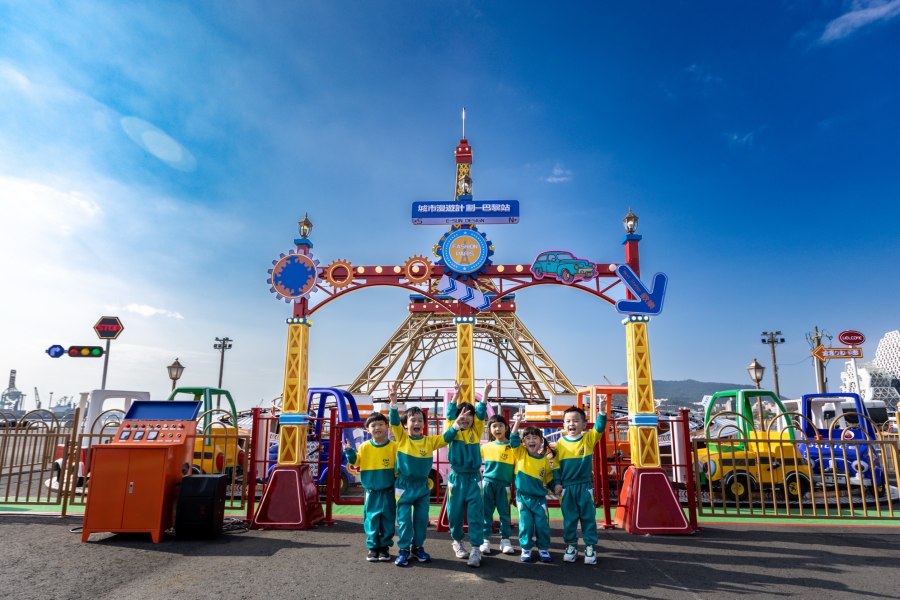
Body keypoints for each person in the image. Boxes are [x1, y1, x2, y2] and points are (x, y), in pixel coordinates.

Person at [389, 381, 459, 567]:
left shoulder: (429, 441)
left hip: (422, 487)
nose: (417, 423)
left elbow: (446, 438)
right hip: (403, 487)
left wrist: (457, 425)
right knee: (404, 521)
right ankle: (403, 550)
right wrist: (394, 402)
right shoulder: (402, 438)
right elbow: (394, 421)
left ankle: (417, 547)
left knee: (421, 521)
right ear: (405, 425)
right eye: (413, 420)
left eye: (420, 420)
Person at [554, 402, 607, 565]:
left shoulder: (588, 439)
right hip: (567, 488)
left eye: (576, 420)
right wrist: (557, 483)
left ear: (584, 424)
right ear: (563, 424)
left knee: (588, 517)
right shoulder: (560, 443)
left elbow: (599, 428)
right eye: (568, 421)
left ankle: (590, 546)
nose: (572, 424)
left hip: (584, 486)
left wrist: (602, 412)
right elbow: (556, 466)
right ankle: (571, 545)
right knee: (569, 519)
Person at [444, 381, 489, 567]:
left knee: (475, 513)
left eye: (469, 416)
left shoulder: (475, 431)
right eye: (462, 416)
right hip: (456, 478)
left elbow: (480, 413)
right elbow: (449, 413)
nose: (466, 418)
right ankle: (457, 541)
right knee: (454, 513)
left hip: (474, 479)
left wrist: (485, 394)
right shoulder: (452, 430)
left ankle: (476, 549)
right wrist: (456, 395)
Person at [343, 412, 397, 562]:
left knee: (388, 519)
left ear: (387, 426)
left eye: (381, 424)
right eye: (373, 425)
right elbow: (356, 462)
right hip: (371, 491)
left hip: (388, 491)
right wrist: (349, 451)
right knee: (371, 519)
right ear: (367, 429)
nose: (377, 427)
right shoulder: (365, 447)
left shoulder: (393, 447)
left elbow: (398, 468)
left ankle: (384, 547)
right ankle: (373, 547)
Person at [509, 409, 558, 563]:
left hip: (539, 499)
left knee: (542, 525)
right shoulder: (520, 453)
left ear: (541, 441)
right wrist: (518, 422)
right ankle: (526, 548)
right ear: (524, 442)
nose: (531, 440)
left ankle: (543, 549)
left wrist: (555, 485)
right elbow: (513, 438)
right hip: (523, 498)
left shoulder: (544, 460)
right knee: (526, 524)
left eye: (534, 437)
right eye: (528, 438)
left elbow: (549, 476)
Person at [480, 411, 516, 555]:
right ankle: (485, 539)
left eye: (500, 425)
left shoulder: (513, 447)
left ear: (506, 427)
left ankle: (505, 540)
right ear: (490, 430)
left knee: (504, 514)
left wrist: (518, 422)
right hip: (488, 483)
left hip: (505, 485)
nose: (497, 429)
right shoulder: (486, 447)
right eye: (494, 426)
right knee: (485, 513)